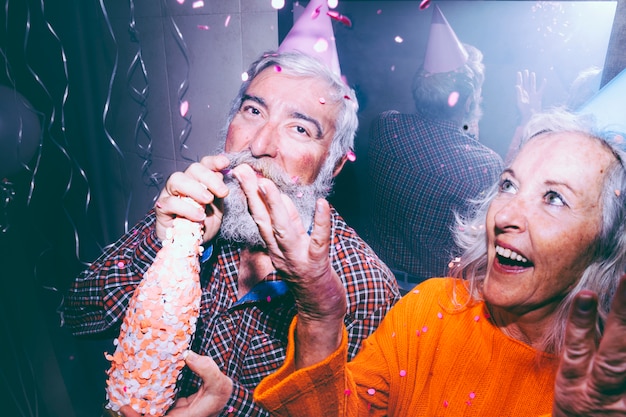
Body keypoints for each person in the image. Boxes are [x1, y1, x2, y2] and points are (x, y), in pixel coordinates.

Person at [62, 51, 400, 416]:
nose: (258, 147)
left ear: (332, 165)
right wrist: (162, 246)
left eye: (299, 129)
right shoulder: (194, 208)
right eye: (253, 111)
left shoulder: (364, 285)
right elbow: (78, 316)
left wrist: (230, 406)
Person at [247, 108, 626, 416]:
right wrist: (318, 311)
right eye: (508, 185)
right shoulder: (432, 309)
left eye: (554, 198)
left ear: (606, 243)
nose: (506, 213)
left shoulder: (604, 388)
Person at [366, 40, 505, 290]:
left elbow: (440, 152)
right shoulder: (483, 165)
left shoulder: (384, 127)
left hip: (373, 278)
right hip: (432, 293)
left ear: (419, 88)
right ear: (469, 101)